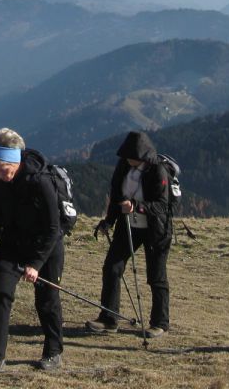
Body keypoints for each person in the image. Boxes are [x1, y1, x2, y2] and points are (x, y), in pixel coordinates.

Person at [0, 128, 65, 377]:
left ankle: (53, 352)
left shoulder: (41, 182)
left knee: (47, 300)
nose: (0, 175)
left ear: (15, 161)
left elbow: (53, 228)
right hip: (12, 243)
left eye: (3, 170)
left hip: (45, 247)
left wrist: (35, 263)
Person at [86, 130, 172, 338]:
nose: (127, 159)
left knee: (156, 276)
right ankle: (109, 318)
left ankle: (160, 323)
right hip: (128, 226)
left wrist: (136, 206)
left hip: (155, 230)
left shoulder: (158, 171)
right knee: (112, 268)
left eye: (131, 157)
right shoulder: (124, 166)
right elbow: (116, 196)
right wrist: (109, 221)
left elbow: (162, 205)